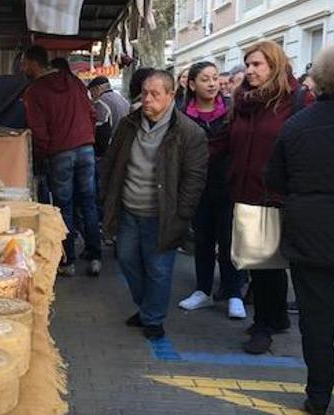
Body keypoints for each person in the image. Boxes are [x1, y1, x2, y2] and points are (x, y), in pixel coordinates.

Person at [265, 40, 334, 415]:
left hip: (311, 232)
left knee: (316, 320)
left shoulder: (298, 123)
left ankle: (318, 397)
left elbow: (275, 178)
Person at [100, 70, 208, 339]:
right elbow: (112, 161)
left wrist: (182, 214)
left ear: (171, 96)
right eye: (145, 93)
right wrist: (106, 195)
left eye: (155, 94)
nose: (147, 99)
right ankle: (148, 307)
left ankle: (153, 318)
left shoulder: (188, 132)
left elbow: (194, 178)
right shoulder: (128, 125)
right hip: (128, 209)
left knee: (158, 269)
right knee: (126, 259)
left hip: (163, 214)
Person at [227, 40, 314, 354]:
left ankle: (264, 325)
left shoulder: (298, 100)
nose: (249, 71)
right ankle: (275, 317)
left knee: (266, 265)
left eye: (257, 65)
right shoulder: (243, 101)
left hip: (277, 196)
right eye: (247, 64)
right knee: (261, 263)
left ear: (274, 65)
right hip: (245, 193)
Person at [22, 45, 101, 277]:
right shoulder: (75, 82)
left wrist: (42, 155)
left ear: (33, 62)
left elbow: (39, 131)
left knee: (63, 206)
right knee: (88, 202)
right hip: (86, 149)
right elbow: (92, 113)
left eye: (23, 63)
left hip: (60, 153)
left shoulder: (34, 91)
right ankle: (95, 256)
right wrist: (87, 137)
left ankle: (68, 262)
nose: (22, 68)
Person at [177, 62, 246, 320]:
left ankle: (234, 293)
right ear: (192, 84)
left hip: (229, 186)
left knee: (230, 242)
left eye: (215, 78)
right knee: (203, 240)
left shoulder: (231, 111)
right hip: (198, 187)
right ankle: (203, 291)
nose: (212, 83)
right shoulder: (182, 115)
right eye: (205, 79)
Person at [88, 76, 130, 156]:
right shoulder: (122, 99)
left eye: (91, 92)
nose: (92, 96)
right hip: (124, 146)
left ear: (97, 88)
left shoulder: (101, 102)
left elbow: (100, 132)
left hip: (111, 149)